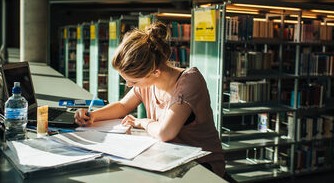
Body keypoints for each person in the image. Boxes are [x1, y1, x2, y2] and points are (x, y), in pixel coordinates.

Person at [74, 22, 226, 178]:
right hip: (169, 157)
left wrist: (143, 122)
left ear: (155, 72)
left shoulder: (189, 82)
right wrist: (93, 115)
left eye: (133, 82)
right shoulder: (148, 81)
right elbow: (123, 105)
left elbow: (164, 132)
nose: (129, 85)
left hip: (203, 165)